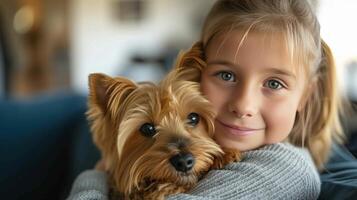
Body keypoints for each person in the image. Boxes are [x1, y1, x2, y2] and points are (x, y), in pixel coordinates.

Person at [67, 0, 346, 199]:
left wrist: (94, 178)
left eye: (274, 83)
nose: (243, 105)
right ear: (202, 74)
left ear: (306, 95)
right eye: (226, 76)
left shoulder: (283, 170)